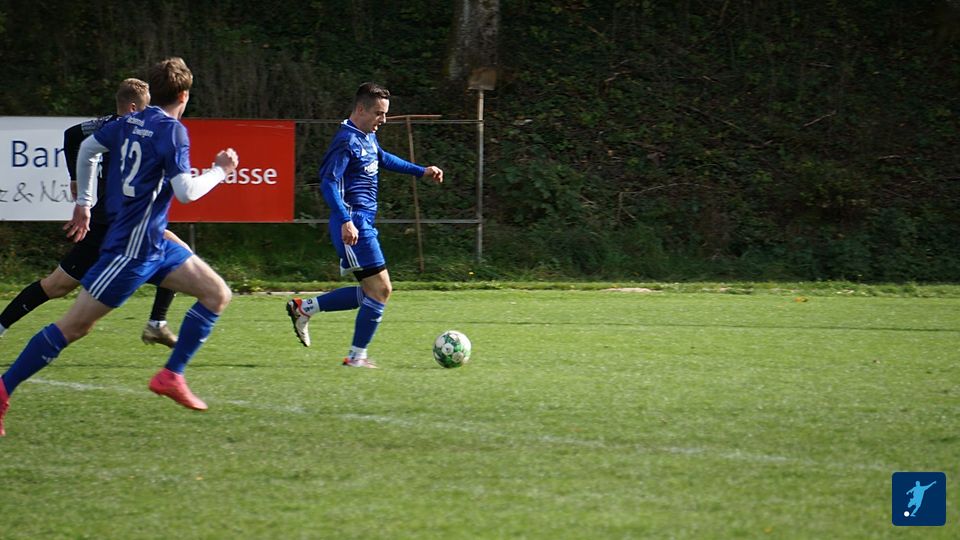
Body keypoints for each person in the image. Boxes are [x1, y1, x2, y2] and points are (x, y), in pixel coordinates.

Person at [0, 57, 239, 437]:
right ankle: (3, 389)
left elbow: (87, 147)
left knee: (217, 294)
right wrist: (220, 171)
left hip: (154, 242)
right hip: (129, 250)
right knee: (73, 327)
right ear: (184, 95)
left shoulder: (128, 122)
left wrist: (84, 201)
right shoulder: (173, 132)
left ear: (153, 91)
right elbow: (186, 193)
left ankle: (171, 375)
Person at [0, 79, 182, 348]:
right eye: (145, 108)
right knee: (177, 259)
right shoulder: (141, 129)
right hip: (118, 223)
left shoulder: (106, 124)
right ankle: (156, 323)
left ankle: (157, 323)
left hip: (108, 221)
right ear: (133, 108)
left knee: (56, 286)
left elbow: (72, 135)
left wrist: (74, 177)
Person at [285, 82, 443, 368]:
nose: (383, 120)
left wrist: (421, 171)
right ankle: (356, 357)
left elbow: (382, 158)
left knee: (372, 291)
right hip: (353, 225)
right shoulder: (346, 141)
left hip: (363, 223)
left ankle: (304, 308)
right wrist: (346, 220)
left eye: (385, 114)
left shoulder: (367, 136)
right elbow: (328, 183)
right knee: (381, 290)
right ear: (360, 109)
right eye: (379, 114)